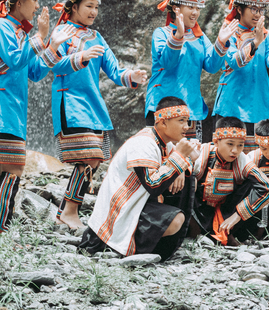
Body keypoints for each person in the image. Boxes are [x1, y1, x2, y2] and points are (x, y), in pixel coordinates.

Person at [41, 0, 148, 229]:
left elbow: (115, 71)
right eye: (89, 6)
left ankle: (67, 210)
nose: (94, 12)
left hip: (92, 103)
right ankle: (69, 211)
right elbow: (53, 65)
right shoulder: (61, 32)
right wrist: (81, 57)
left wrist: (132, 76)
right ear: (73, 7)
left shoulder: (97, 37)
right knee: (89, 156)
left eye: (96, 7)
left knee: (95, 159)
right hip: (70, 101)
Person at [80, 96, 198, 259]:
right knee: (176, 219)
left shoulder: (166, 143)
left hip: (138, 204)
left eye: (187, 121)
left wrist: (182, 168)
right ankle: (123, 245)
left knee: (190, 179)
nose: (186, 126)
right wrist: (179, 159)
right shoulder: (143, 143)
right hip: (121, 212)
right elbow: (153, 185)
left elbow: (190, 161)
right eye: (181, 121)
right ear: (163, 123)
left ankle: (151, 245)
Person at [0, 0, 49, 233]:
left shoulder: (20, 33)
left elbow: (35, 72)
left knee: (13, 168)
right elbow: (16, 59)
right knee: (13, 167)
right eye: (34, 0)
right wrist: (40, 37)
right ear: (18, 2)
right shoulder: (0, 27)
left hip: (12, 109)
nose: (37, 6)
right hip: (0, 107)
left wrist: (54, 46)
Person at [145, 0, 235, 142]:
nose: (195, 12)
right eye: (191, 7)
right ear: (176, 9)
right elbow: (168, 63)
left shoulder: (200, 37)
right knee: (161, 153)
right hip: (163, 107)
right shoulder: (161, 33)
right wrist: (178, 35)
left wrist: (221, 42)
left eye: (198, 8)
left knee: (191, 155)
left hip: (191, 108)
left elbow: (212, 67)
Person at [213, 0, 269, 153]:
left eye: (261, 10)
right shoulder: (229, 32)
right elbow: (235, 62)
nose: (258, 14)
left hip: (258, 101)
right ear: (239, 9)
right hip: (232, 103)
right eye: (253, 9)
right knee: (229, 155)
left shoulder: (265, 34)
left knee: (257, 157)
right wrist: (255, 43)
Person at [190, 116, 269, 244]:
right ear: (216, 141)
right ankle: (194, 232)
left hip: (227, 213)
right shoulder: (201, 154)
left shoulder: (242, 160)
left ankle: (228, 234)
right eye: (230, 144)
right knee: (187, 179)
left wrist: (237, 215)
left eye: (240, 145)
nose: (235, 151)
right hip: (198, 212)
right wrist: (186, 167)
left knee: (252, 184)